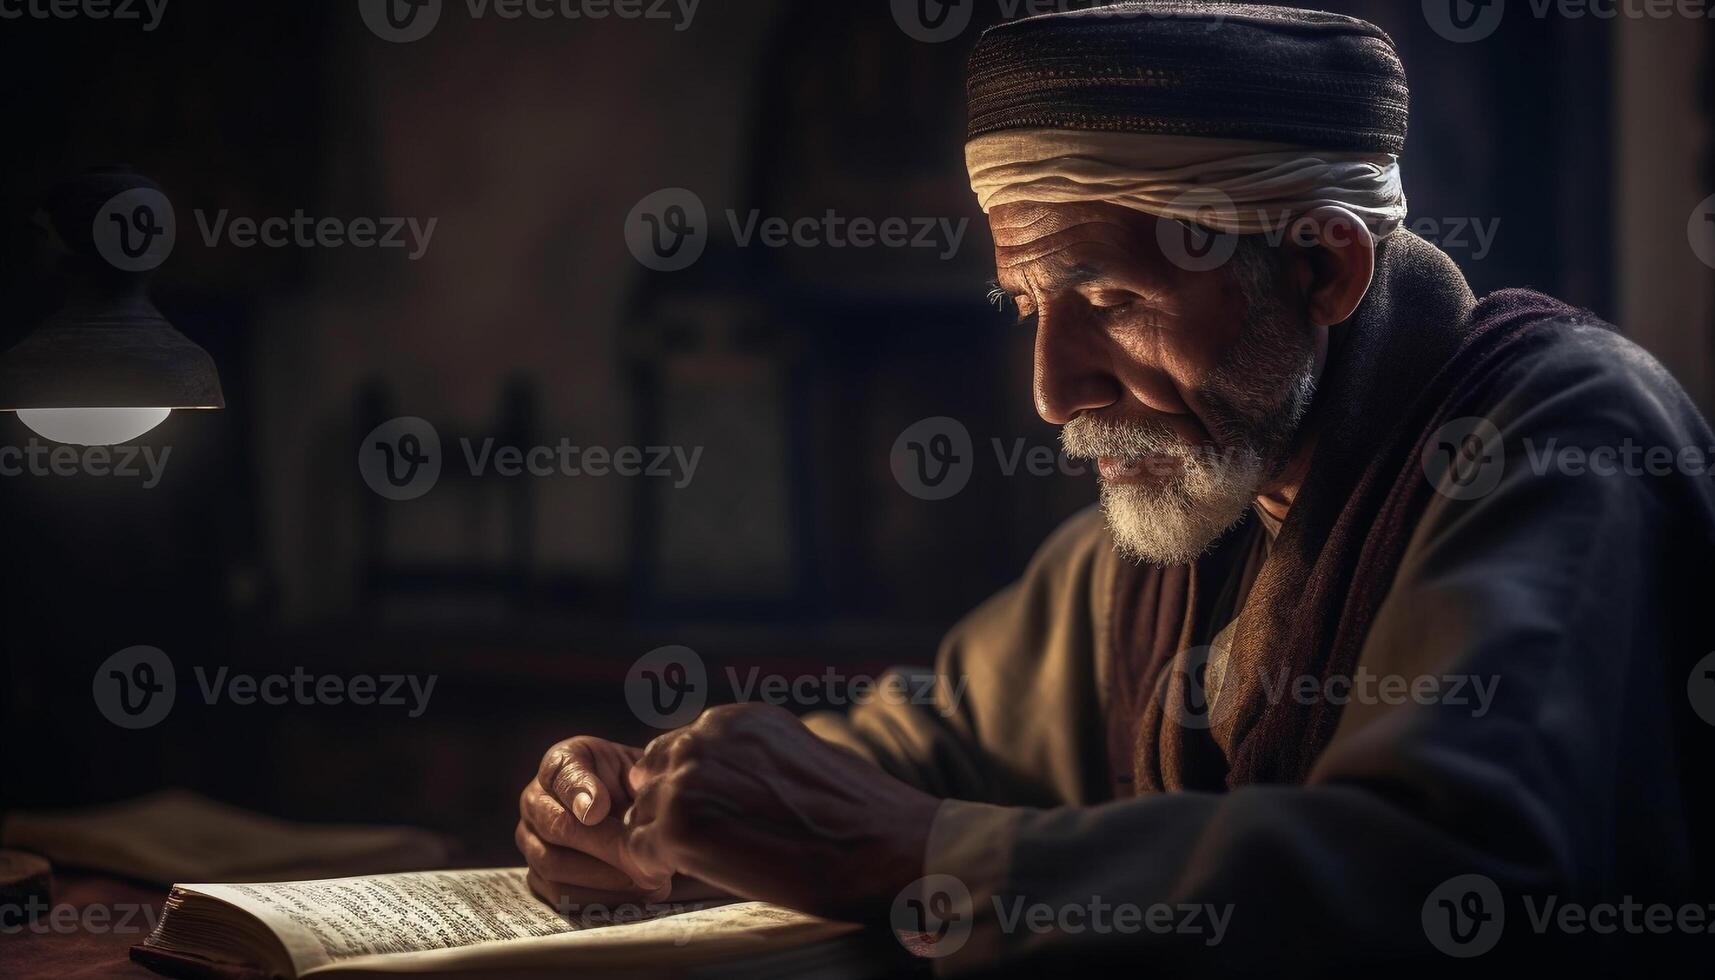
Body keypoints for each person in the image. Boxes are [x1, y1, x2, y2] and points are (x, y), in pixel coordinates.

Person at [517, 3, 1715, 971]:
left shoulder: (1560, 436)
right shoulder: (1201, 499)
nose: (1049, 388)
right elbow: (926, 742)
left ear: (1322, 265)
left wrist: (918, 853)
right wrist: (662, 802)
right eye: (1028, 304)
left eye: (1112, 301)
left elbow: (1435, 876)